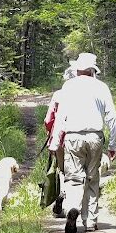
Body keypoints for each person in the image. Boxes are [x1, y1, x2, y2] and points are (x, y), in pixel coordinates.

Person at [49, 53, 116, 233]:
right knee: (92, 177)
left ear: (77, 69)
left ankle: (73, 208)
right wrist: (113, 144)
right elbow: (112, 117)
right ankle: (90, 221)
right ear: (93, 70)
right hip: (95, 136)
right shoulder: (102, 87)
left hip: (73, 136)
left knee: (74, 178)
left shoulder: (68, 86)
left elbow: (61, 117)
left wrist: (55, 142)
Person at [44, 64, 76, 216]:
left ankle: (62, 193)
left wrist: (50, 133)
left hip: (60, 137)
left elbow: (49, 119)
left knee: (62, 170)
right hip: (79, 135)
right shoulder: (82, 95)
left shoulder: (58, 95)